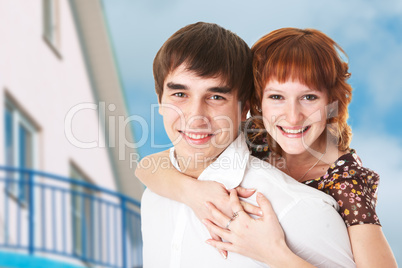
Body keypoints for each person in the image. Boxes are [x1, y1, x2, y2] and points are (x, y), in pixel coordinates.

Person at [136, 27, 397, 267]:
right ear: (257, 103)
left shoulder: (346, 181)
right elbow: (150, 165)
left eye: (309, 97)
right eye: (276, 97)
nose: (293, 116)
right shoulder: (254, 134)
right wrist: (192, 193)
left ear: (333, 103)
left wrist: (274, 252)